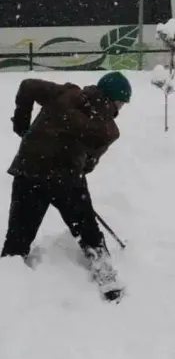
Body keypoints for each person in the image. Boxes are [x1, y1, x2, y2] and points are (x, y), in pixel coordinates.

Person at [2, 72, 132, 299]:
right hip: (66, 180)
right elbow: (89, 163)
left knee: (18, 239)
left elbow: (27, 85)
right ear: (114, 101)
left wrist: (22, 123)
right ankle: (106, 276)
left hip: (29, 171)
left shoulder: (65, 93)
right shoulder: (108, 129)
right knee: (87, 230)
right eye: (121, 103)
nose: (120, 108)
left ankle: (8, 285)